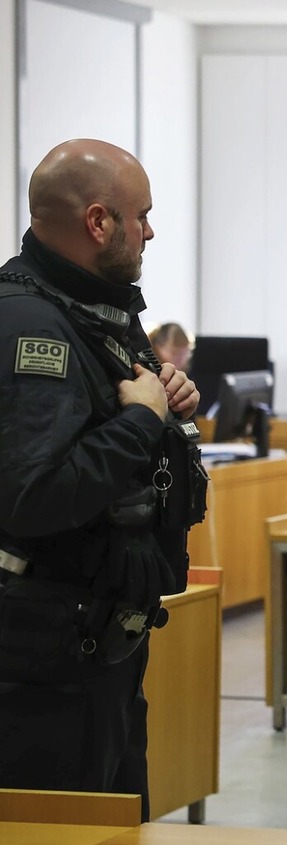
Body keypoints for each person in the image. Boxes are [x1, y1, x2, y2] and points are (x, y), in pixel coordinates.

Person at [0, 138, 206, 821]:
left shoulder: (99, 311)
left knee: (118, 824)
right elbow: (36, 493)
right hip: (46, 667)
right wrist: (141, 422)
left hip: (102, 647)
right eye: (140, 214)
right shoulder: (34, 326)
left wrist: (166, 399)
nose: (150, 229)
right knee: (65, 829)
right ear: (98, 222)